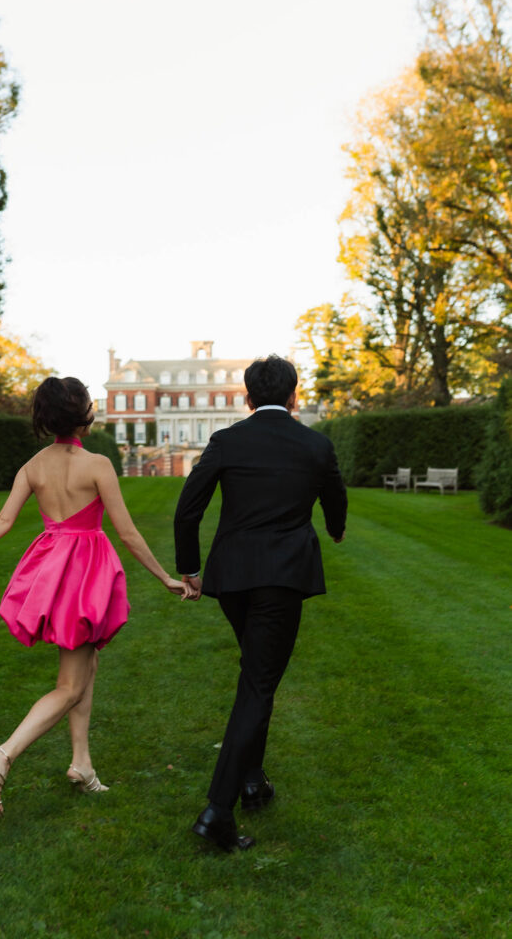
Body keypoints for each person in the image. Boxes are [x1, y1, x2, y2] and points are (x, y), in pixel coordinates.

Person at [0, 376, 191, 816]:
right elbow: (126, 533)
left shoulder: (33, 466)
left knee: (87, 662)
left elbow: (2, 520)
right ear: (84, 417)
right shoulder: (98, 465)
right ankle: (4, 754)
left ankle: (81, 764)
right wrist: (165, 576)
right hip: (85, 574)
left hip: (53, 571)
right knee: (70, 685)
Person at [174, 355, 347, 852]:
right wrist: (334, 529)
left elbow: (189, 508)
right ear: (294, 396)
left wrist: (190, 567)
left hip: (232, 579)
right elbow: (335, 497)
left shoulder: (227, 441)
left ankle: (253, 782)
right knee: (259, 683)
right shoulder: (315, 445)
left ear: (246, 398)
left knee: (257, 672)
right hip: (283, 578)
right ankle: (217, 812)